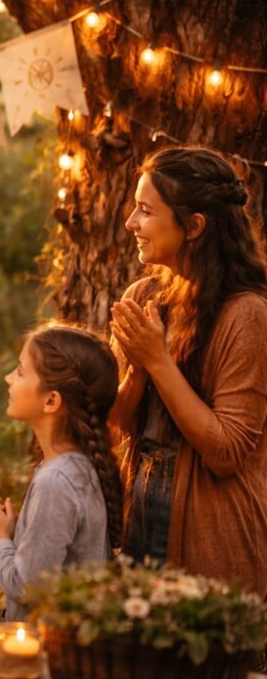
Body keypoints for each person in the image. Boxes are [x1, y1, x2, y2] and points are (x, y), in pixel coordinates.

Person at [109, 145, 267, 597]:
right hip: (140, 502)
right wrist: (137, 370)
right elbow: (118, 422)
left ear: (194, 225)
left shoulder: (247, 315)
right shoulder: (144, 296)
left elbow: (226, 451)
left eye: (145, 211)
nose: (130, 224)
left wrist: (158, 360)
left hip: (209, 523)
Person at [0, 324, 120, 621]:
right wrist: (12, 537)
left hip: (46, 654)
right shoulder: (73, 468)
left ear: (51, 401)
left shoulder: (56, 481)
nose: (9, 378)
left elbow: (28, 588)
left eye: (21, 372)